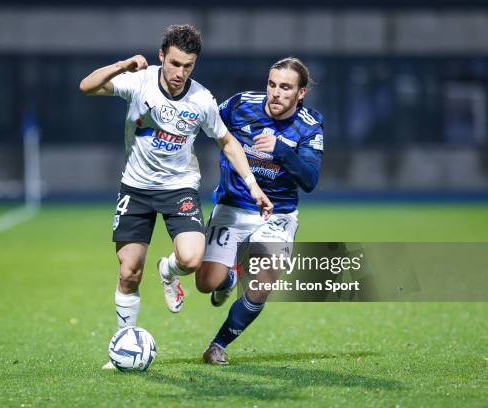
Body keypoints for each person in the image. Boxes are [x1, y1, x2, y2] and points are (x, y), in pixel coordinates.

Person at [78, 24, 273, 368]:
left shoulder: (201, 100)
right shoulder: (140, 81)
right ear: (161, 57)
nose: (180, 73)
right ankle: (125, 342)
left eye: (188, 66)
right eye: (175, 63)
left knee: (191, 259)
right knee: (129, 271)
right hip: (136, 189)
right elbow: (87, 86)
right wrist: (123, 65)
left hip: (179, 189)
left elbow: (226, 141)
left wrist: (253, 184)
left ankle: (167, 272)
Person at [196, 57, 324, 365]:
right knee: (205, 283)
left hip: (278, 214)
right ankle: (226, 280)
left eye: (286, 87)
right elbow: (205, 120)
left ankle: (218, 345)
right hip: (233, 206)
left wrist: (281, 149)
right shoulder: (240, 105)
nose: (276, 93)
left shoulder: (309, 125)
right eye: (272, 84)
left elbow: (309, 179)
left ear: (300, 93)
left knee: (263, 281)